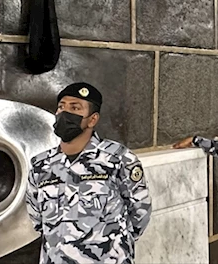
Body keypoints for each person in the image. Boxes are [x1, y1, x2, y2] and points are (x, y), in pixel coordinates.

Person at [26, 82, 151, 264]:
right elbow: (37, 219)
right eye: (61, 107)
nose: (64, 112)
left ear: (92, 119)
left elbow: (140, 211)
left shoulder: (118, 159)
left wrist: (118, 244)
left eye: (75, 108)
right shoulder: (41, 165)